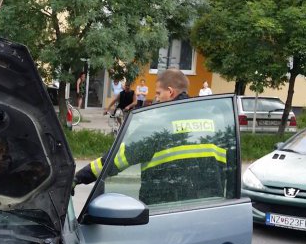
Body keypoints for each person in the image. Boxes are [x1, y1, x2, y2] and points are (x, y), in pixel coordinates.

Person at [73, 68, 225, 204]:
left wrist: (78, 177)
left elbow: (114, 160)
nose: (156, 98)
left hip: (163, 211)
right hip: (209, 210)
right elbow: (228, 169)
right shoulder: (213, 122)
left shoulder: (155, 126)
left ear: (170, 92)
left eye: (158, 93)